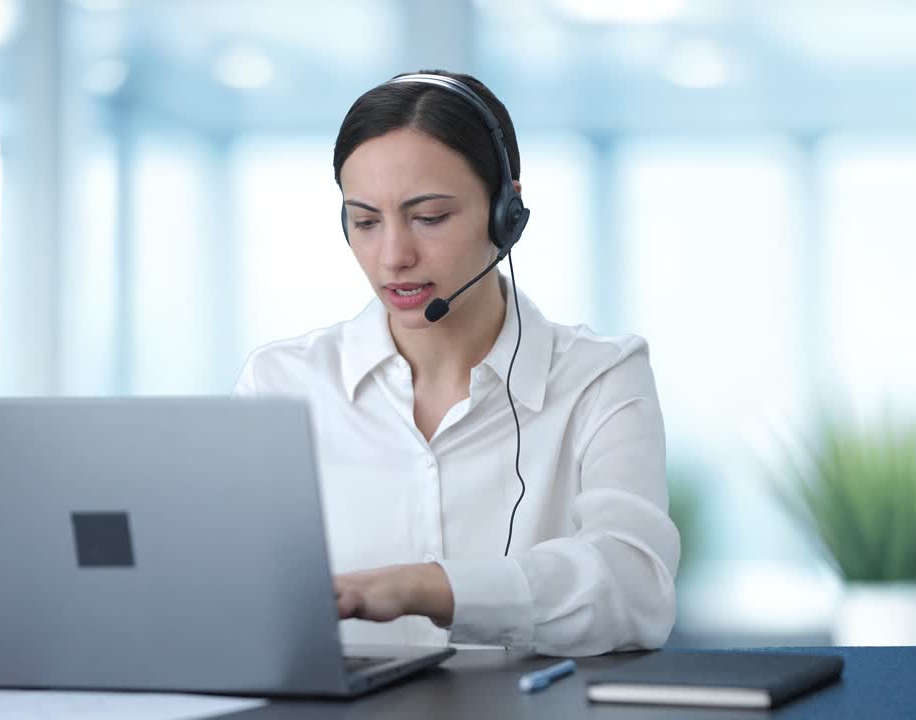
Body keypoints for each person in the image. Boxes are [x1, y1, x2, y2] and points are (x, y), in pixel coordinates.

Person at [232, 69, 679, 656]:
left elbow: (634, 588)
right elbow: (235, 592)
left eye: (430, 217)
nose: (393, 256)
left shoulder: (599, 377)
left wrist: (431, 587)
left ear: (507, 215)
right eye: (365, 221)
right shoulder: (281, 382)